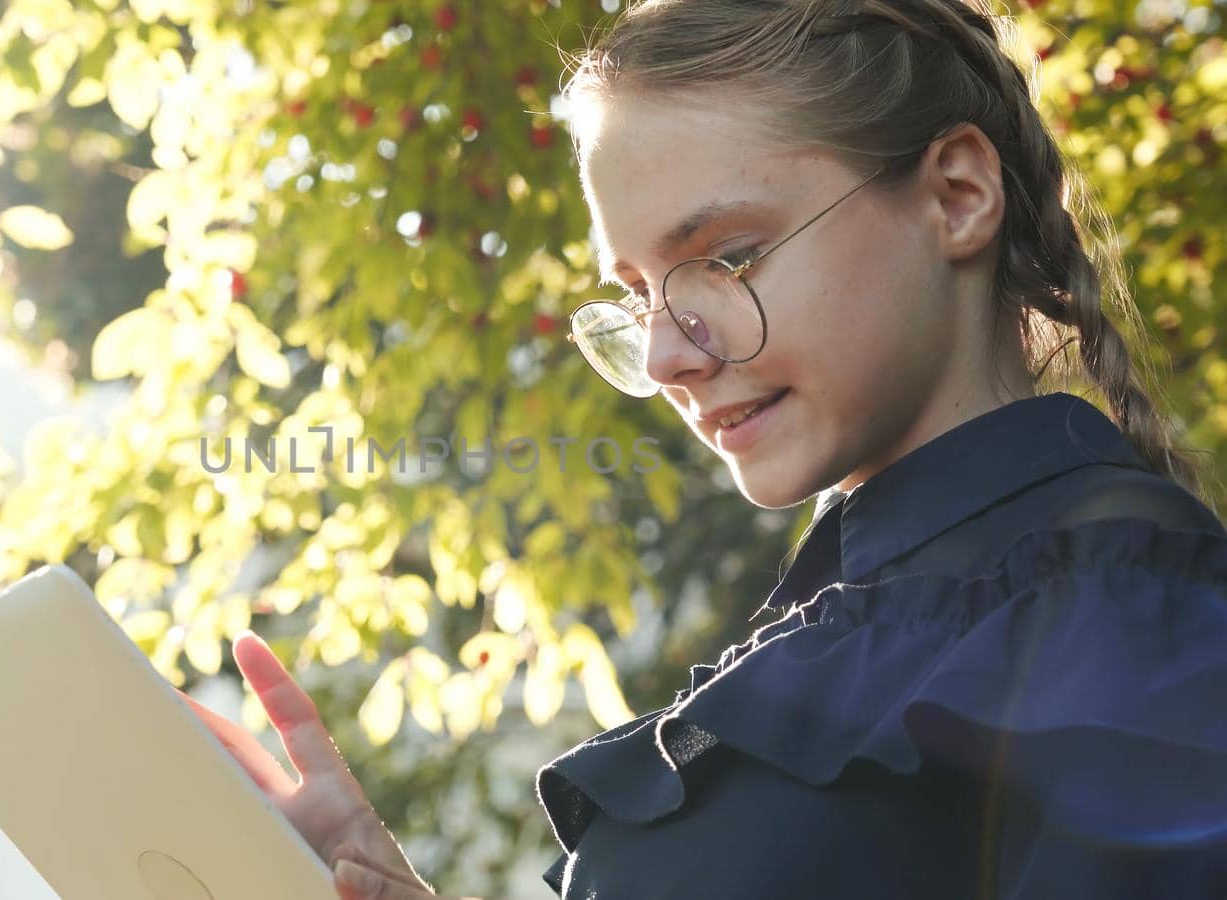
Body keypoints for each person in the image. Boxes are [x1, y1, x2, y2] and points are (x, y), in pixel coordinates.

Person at [180, 0, 1227, 896]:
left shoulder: (1120, 603)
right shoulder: (844, 630)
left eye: (728, 258)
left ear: (956, 195)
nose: (668, 355)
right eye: (635, 294)